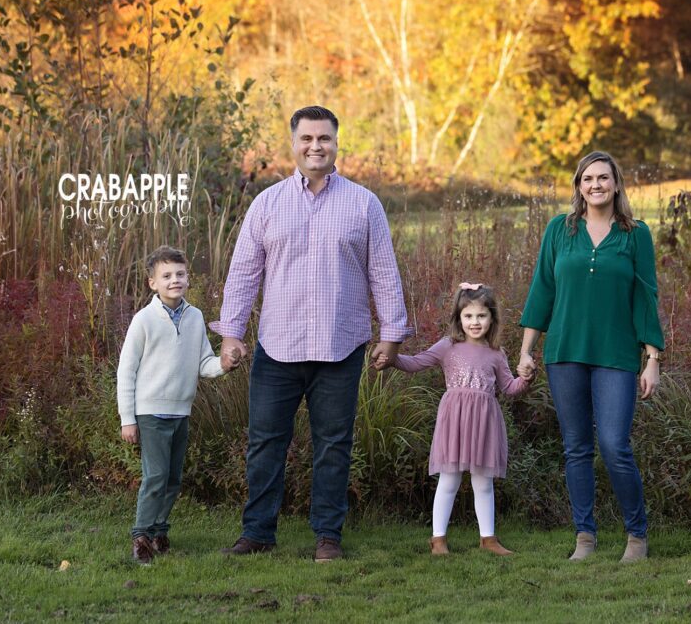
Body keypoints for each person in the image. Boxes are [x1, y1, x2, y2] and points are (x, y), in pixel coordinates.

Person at [211, 105, 411, 562]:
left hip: (341, 347)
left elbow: (383, 272)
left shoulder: (363, 203)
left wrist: (391, 332)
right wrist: (231, 333)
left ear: (337, 143)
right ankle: (258, 532)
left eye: (324, 138)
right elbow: (243, 272)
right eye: (307, 139)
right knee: (264, 443)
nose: (315, 146)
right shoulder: (268, 203)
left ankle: (327, 536)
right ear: (294, 144)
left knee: (334, 445)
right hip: (277, 347)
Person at [517, 150, 664, 563]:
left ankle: (636, 536)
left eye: (603, 178)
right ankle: (585, 536)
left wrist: (652, 358)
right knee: (576, 447)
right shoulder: (559, 231)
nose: (595, 185)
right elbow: (543, 289)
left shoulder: (636, 234)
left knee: (615, 444)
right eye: (587, 179)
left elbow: (646, 297)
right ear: (578, 187)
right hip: (564, 352)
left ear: (616, 183)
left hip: (616, 354)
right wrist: (526, 351)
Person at [375, 283, 529, 556]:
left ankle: (488, 539)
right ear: (459, 318)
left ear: (492, 318)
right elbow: (417, 363)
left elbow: (509, 388)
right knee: (449, 480)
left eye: (481, 316)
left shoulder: (496, 353)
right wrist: (392, 358)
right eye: (468, 316)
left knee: (483, 481)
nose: (475, 322)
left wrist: (526, 378)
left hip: (484, 422)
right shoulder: (448, 346)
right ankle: (438, 539)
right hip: (454, 421)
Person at [117, 245, 230, 564]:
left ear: (187, 278)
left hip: (181, 411)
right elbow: (126, 370)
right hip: (150, 412)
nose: (174, 280)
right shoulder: (144, 320)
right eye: (166, 276)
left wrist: (225, 363)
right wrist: (128, 418)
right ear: (153, 282)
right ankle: (140, 535)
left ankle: (159, 530)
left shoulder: (195, 318)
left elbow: (204, 363)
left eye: (180, 274)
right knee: (155, 475)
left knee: (172, 478)